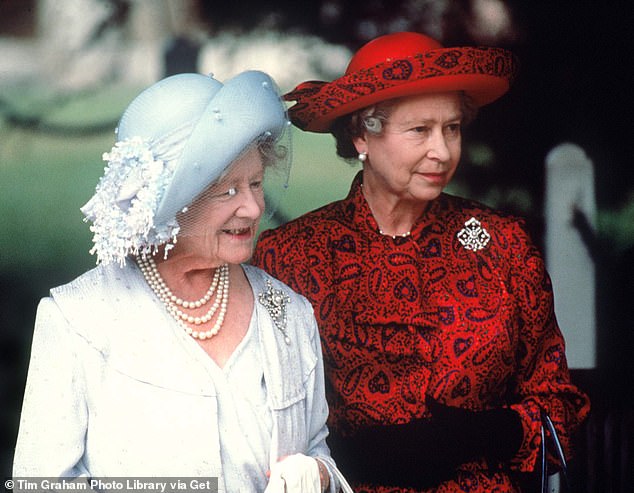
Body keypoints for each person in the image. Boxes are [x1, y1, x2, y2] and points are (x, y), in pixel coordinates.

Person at [252, 32, 591, 492]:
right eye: (419, 131)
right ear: (360, 135)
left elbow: (560, 412)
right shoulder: (291, 256)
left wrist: (486, 433)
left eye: (452, 128)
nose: (443, 151)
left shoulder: (504, 246)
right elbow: (258, 411)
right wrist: (338, 459)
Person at [13, 71, 351, 493]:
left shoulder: (288, 313)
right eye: (227, 191)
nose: (252, 207)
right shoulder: (77, 320)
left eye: (255, 183)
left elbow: (317, 447)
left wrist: (318, 474)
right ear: (168, 203)